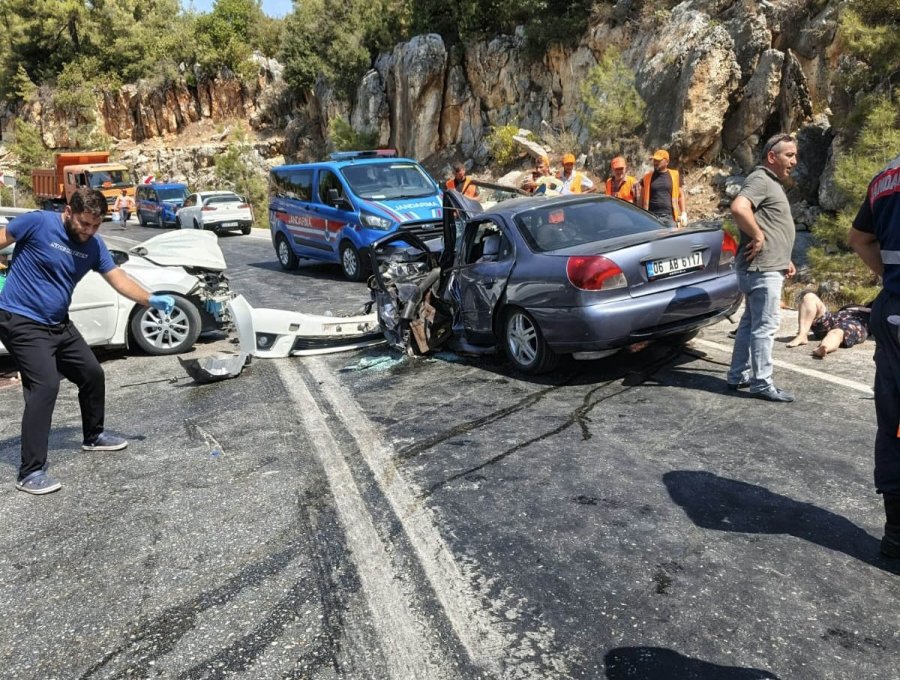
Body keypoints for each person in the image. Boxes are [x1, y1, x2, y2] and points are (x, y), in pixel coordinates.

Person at [0, 188, 176, 495]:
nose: (89, 231)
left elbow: (117, 277)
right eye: (84, 223)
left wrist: (149, 299)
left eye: (95, 226)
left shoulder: (94, 246)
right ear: (69, 212)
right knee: (45, 386)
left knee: (92, 374)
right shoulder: (38, 223)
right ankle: (30, 471)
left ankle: (93, 436)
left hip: (58, 323)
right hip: (20, 319)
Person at [847, 153, 900, 558]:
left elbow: (859, 238)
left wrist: (891, 276)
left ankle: (896, 535)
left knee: (895, 422)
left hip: (892, 311)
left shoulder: (884, 177)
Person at [725, 133, 798, 402]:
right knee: (765, 327)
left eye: (795, 155)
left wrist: (784, 257)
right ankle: (762, 383)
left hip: (765, 265)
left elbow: (772, 225)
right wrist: (757, 236)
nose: (794, 160)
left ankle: (737, 375)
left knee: (749, 324)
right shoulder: (761, 179)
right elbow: (739, 207)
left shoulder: (770, 182)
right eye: (789, 155)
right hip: (761, 269)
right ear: (771, 157)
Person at [785, 291, 870, 358]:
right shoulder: (859, 305)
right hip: (834, 317)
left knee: (837, 332)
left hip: (856, 322)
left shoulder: (878, 310)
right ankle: (802, 335)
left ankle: (824, 347)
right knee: (809, 297)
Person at [642, 149, 686, 228]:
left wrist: (683, 213)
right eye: (654, 160)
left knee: (672, 239)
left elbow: (680, 195)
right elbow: (641, 197)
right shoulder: (647, 177)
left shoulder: (675, 175)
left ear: (667, 162)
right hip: (651, 217)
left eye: (658, 160)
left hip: (669, 217)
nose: (655, 162)